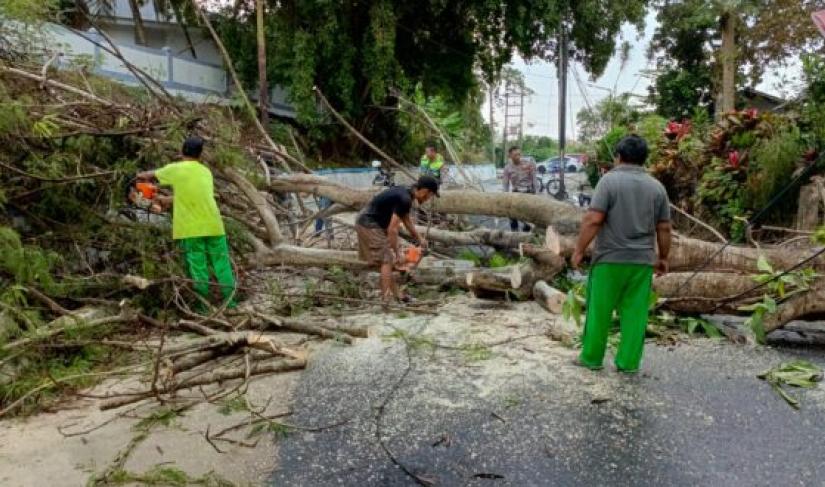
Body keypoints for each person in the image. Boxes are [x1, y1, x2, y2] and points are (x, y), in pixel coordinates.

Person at [571, 135, 672, 373]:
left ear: (618, 157)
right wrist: (663, 257)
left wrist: (578, 250)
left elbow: (594, 219)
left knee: (599, 311)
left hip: (609, 260)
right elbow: (665, 227)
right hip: (641, 263)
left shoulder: (608, 182)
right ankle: (628, 363)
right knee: (635, 316)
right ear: (643, 158)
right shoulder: (657, 187)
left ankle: (592, 359)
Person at [137, 136, 237, 311]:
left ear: (182, 151)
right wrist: (165, 200)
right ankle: (231, 303)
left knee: (198, 269)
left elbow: (147, 175)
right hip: (214, 224)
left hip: (192, 228)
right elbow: (194, 195)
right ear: (200, 154)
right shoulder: (205, 171)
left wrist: (134, 178)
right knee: (222, 265)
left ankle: (203, 308)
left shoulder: (176, 169)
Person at [355, 176, 439, 303]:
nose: (428, 199)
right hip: (369, 223)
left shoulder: (406, 193)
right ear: (425, 191)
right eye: (430, 195)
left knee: (386, 261)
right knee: (387, 260)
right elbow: (392, 230)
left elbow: (406, 220)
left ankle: (399, 296)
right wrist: (398, 252)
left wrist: (419, 238)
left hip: (372, 222)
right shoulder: (405, 199)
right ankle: (386, 300)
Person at [502, 146, 537, 232]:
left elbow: (534, 179)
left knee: (528, 216)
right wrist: (504, 196)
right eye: (515, 155)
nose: (518, 156)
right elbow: (505, 183)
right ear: (510, 156)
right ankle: (515, 233)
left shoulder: (528, 164)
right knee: (511, 213)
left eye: (519, 154)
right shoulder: (507, 168)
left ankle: (526, 233)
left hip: (528, 192)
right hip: (516, 193)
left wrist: (536, 194)